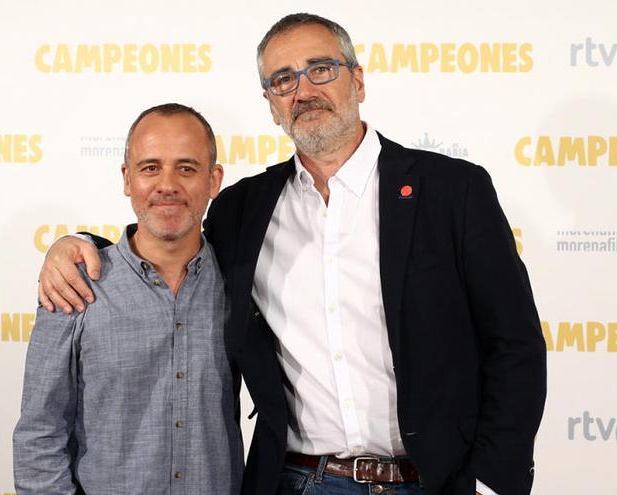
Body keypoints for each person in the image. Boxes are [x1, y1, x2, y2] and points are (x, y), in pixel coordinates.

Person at [37, 14, 546, 495]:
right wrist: (78, 247)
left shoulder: (452, 191)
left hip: (437, 480)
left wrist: (490, 480)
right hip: (299, 481)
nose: (303, 90)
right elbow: (169, 239)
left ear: (358, 81)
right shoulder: (243, 209)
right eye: (283, 80)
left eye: (320, 69)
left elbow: (515, 343)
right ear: (271, 103)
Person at [15, 103, 243, 494]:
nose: (167, 184)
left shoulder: (242, 281)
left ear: (214, 180)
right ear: (127, 178)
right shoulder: (74, 285)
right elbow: (40, 433)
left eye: (186, 169)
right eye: (150, 167)